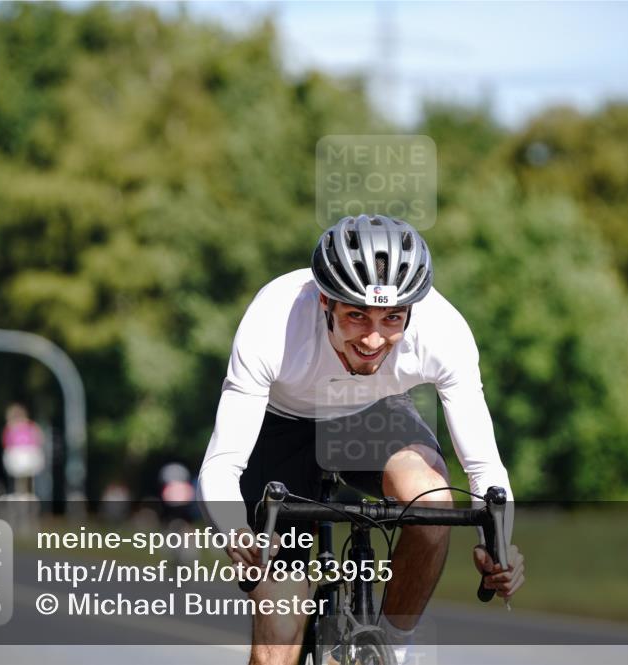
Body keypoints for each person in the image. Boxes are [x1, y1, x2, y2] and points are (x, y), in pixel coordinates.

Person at [199, 214, 525, 665]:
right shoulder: (273, 320)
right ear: (324, 302)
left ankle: (390, 648)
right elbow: (222, 463)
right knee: (276, 644)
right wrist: (236, 530)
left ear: (411, 309)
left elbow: (485, 468)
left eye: (392, 318)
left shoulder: (443, 332)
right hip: (282, 424)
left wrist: (500, 547)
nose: (373, 338)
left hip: (372, 415)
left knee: (431, 503)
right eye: (356, 315)